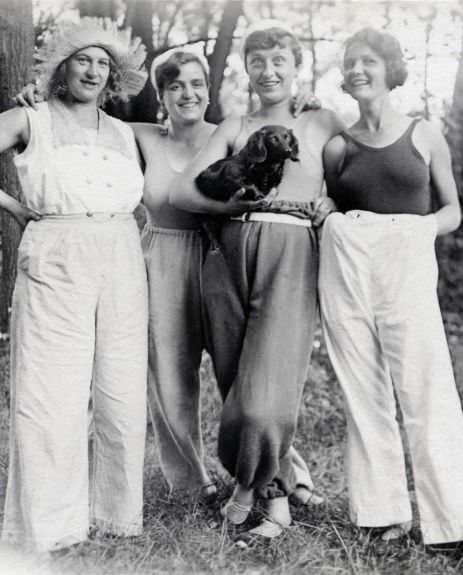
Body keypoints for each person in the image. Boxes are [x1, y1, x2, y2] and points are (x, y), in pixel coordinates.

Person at [15, 46, 323, 503]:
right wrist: (40, 100)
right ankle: (193, 483)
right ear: (160, 94)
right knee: (170, 378)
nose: (187, 93)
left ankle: (281, 476)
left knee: (249, 372)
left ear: (209, 91)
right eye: (175, 85)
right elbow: (76, 123)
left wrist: (307, 109)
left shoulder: (235, 135)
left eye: (197, 84)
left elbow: (292, 153)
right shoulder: (135, 135)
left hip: (222, 258)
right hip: (162, 260)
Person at [0, 18, 149, 553]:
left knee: (121, 390)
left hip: (120, 255)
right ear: (62, 68)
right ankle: (52, 525)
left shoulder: (125, 132)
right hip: (57, 253)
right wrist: (13, 207)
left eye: (103, 64)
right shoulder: (32, 120)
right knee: (52, 390)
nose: (94, 71)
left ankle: (116, 517)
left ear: (114, 75)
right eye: (83, 60)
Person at [319, 28, 463, 574]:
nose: (358, 69)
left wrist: (415, 231)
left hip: (407, 262)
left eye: (369, 61)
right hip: (349, 264)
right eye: (351, 62)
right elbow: (328, 206)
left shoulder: (424, 134)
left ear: (389, 68)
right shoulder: (338, 145)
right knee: (365, 391)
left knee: (428, 391)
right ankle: (386, 513)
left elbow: (451, 211)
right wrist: (328, 213)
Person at [171, 20, 344, 543]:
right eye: (258, 62)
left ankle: (259, 497)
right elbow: (182, 192)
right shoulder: (233, 125)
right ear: (246, 69)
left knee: (265, 394)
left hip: (292, 255)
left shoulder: (324, 121)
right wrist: (229, 203)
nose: (268, 72)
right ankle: (278, 484)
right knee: (234, 383)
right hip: (225, 254)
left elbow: (360, 177)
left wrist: (332, 201)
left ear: (296, 69)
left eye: (279, 63)